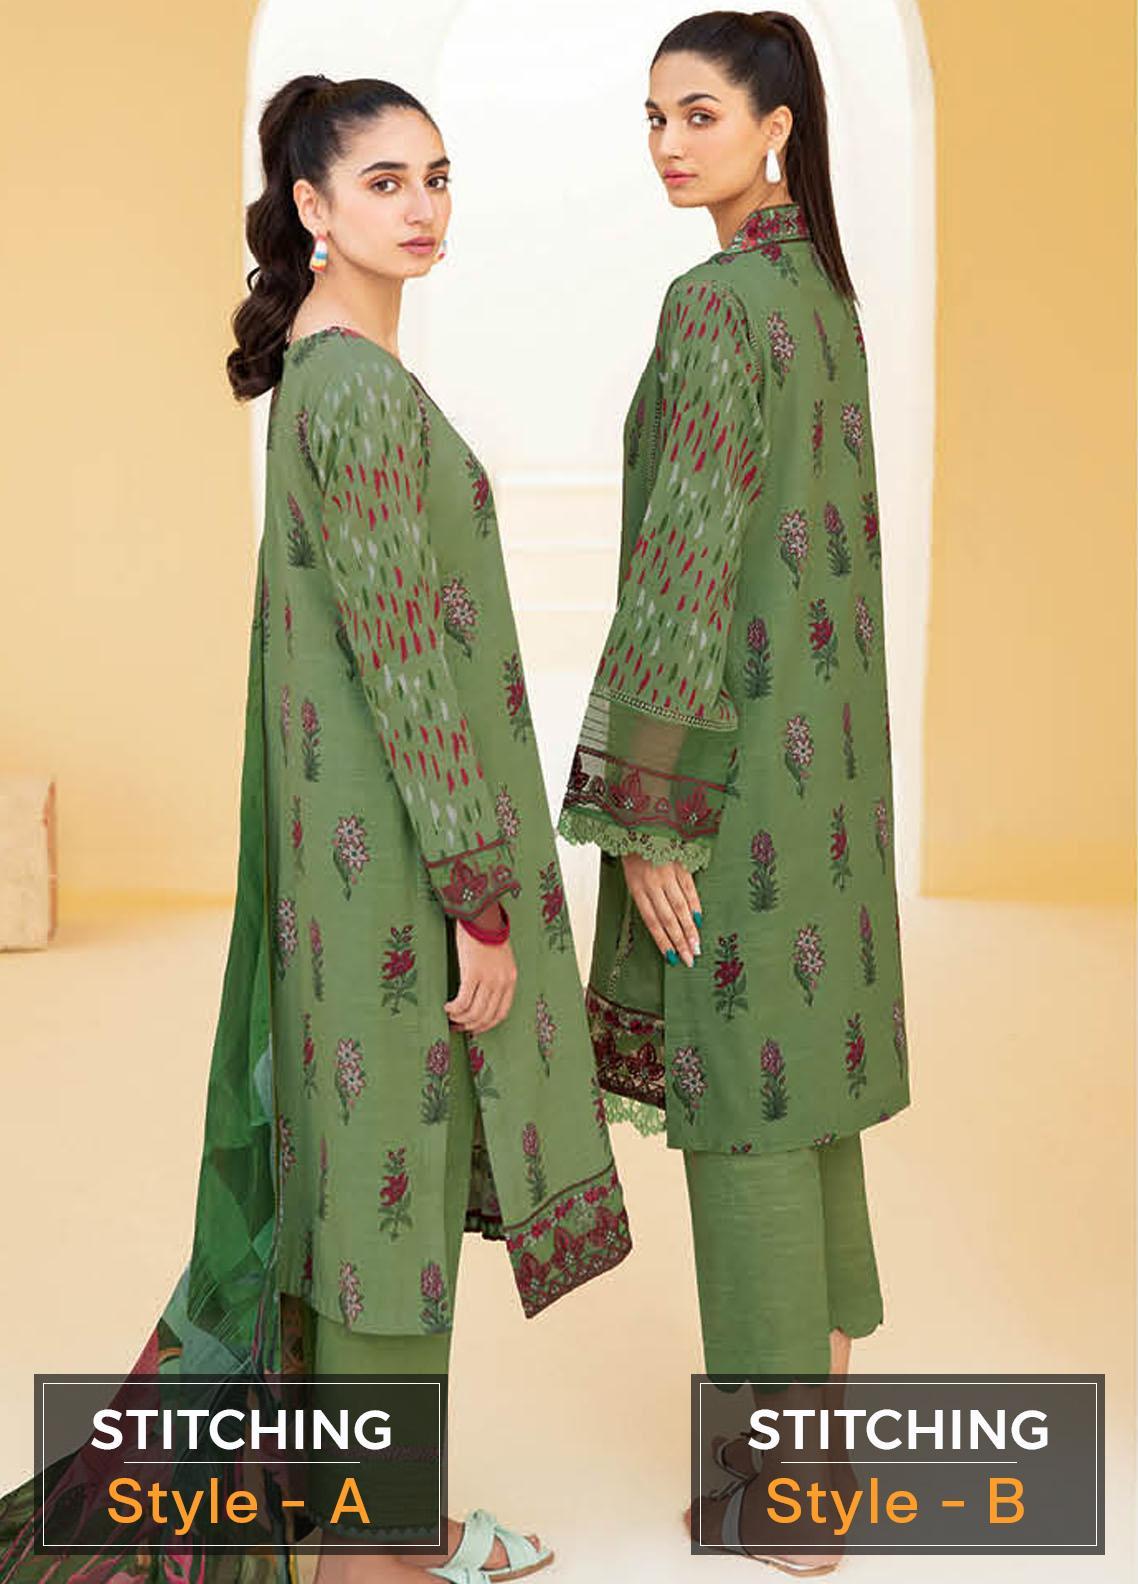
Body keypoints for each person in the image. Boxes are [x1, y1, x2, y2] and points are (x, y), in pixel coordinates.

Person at [0, 74, 632, 1584]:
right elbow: (405, 664)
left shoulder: (330, 370)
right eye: (383, 182)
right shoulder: (350, 387)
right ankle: (371, 1553)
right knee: (385, 1180)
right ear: (312, 207)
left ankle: (377, 1523)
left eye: (437, 178)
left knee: (365, 1175)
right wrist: (479, 900)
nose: (421, 208)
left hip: (360, 851)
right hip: (394, 869)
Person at [554, 13, 912, 1573]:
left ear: (776, 126)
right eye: (652, 117)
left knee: (745, 1116)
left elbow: (684, 567)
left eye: (698, 114)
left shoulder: (714, 304)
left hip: (739, 791)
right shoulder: (818, 293)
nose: (668, 144)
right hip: (824, 780)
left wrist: (648, 815)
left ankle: (790, 1509)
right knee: (807, 1101)